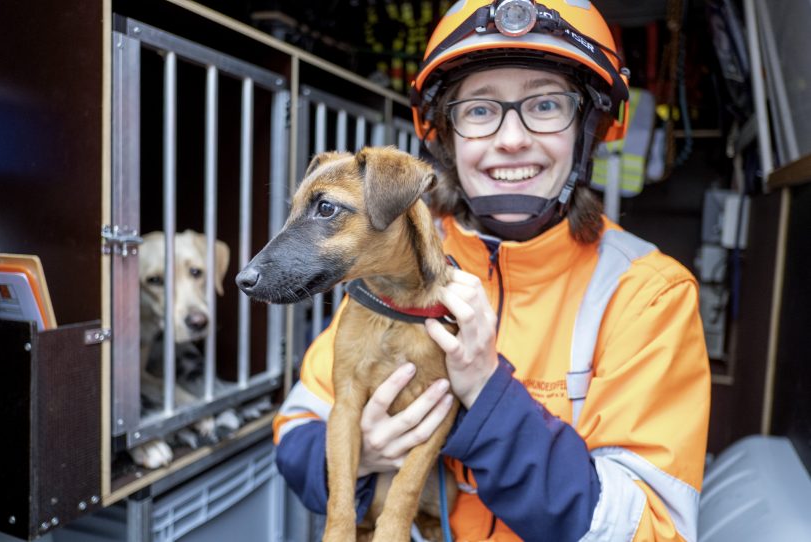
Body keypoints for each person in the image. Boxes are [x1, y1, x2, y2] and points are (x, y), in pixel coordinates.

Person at [273, 1, 711, 540]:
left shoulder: (647, 294)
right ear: (446, 135)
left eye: (546, 104)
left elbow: (653, 531)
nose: (510, 139)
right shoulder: (396, 260)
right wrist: (360, 452)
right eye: (479, 110)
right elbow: (297, 430)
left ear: (590, 129)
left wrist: (486, 391)